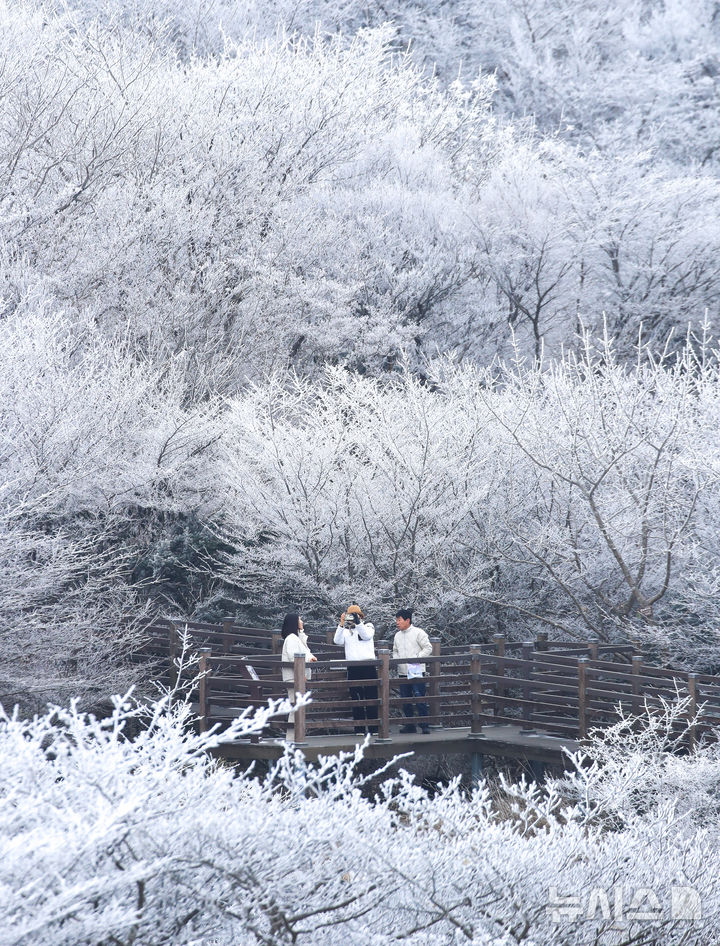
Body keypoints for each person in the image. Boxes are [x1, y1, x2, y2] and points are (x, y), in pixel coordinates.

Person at [333, 604, 378, 735]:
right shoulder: (346, 630)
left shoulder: (368, 626)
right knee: (356, 697)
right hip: (353, 667)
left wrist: (358, 623)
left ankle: (373, 727)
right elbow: (337, 641)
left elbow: (366, 636)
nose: (352, 618)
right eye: (350, 615)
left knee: (371, 696)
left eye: (355, 615)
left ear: (361, 616)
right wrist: (341, 624)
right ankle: (359, 728)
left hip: (368, 665)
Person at [393, 608, 432, 734]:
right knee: (405, 698)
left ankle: (424, 725)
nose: (397, 623)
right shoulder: (397, 635)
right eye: (396, 620)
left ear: (407, 620)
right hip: (402, 670)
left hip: (416, 667)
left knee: (419, 697)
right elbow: (395, 651)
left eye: (399, 620)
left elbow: (428, 648)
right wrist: (397, 660)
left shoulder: (418, 633)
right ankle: (410, 725)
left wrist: (417, 658)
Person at [280, 613, 317, 741]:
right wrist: (300, 675)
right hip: (294, 678)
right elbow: (294, 657)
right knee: (295, 707)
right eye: (299, 619)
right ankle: (291, 738)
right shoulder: (291, 638)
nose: (301, 621)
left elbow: (304, 648)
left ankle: (295, 737)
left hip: (297, 677)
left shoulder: (294, 637)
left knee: (297, 707)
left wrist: (301, 631)